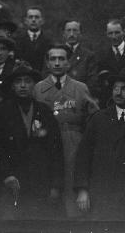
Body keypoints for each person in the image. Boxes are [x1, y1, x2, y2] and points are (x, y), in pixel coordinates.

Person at [33, 45, 99, 218]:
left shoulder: (80, 87)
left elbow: (94, 118)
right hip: (46, 143)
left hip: (73, 142)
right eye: (53, 59)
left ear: (69, 63)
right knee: (50, 189)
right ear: (47, 63)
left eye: (61, 59)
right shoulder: (38, 88)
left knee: (72, 184)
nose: (57, 63)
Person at [74, 67, 125, 220]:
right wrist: (82, 190)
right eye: (115, 88)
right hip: (100, 195)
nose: (118, 93)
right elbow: (83, 156)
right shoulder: (98, 119)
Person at [0, 63, 64, 219]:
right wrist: (6, 174)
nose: (23, 85)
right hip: (12, 184)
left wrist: (55, 185)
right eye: (18, 81)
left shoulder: (45, 112)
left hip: (40, 183)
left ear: (34, 84)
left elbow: (56, 150)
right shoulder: (1, 112)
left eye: (27, 81)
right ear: (12, 86)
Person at [95, 19, 125, 107]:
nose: (114, 37)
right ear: (106, 34)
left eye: (117, 33)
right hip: (109, 100)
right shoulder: (101, 55)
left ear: (123, 32)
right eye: (110, 33)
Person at [60, 19, 97, 93]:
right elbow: (47, 75)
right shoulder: (54, 53)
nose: (71, 34)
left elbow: (92, 81)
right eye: (68, 30)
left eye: (75, 30)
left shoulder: (89, 56)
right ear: (63, 33)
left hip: (80, 97)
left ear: (80, 34)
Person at [13, 6, 52, 73]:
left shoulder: (49, 41)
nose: (33, 20)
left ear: (42, 21)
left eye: (36, 17)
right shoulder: (17, 40)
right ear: (26, 21)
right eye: (30, 17)